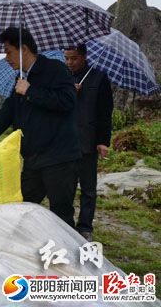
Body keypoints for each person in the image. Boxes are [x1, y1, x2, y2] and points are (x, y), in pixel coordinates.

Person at [0, 27, 81, 229]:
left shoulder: (55, 69)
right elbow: (7, 112)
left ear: (24, 49)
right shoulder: (20, 78)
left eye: (9, 52)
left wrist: (31, 91)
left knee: (62, 216)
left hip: (59, 158)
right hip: (33, 158)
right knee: (22, 208)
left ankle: (70, 258)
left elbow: (68, 101)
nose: (6, 57)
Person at [65, 44, 113, 241]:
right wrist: (69, 93)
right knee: (65, 188)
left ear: (84, 57)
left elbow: (105, 112)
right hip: (65, 141)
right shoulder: (62, 78)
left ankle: (85, 227)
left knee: (88, 189)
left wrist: (103, 141)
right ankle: (66, 225)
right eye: (66, 58)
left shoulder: (99, 78)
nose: (69, 62)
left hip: (88, 141)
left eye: (74, 58)